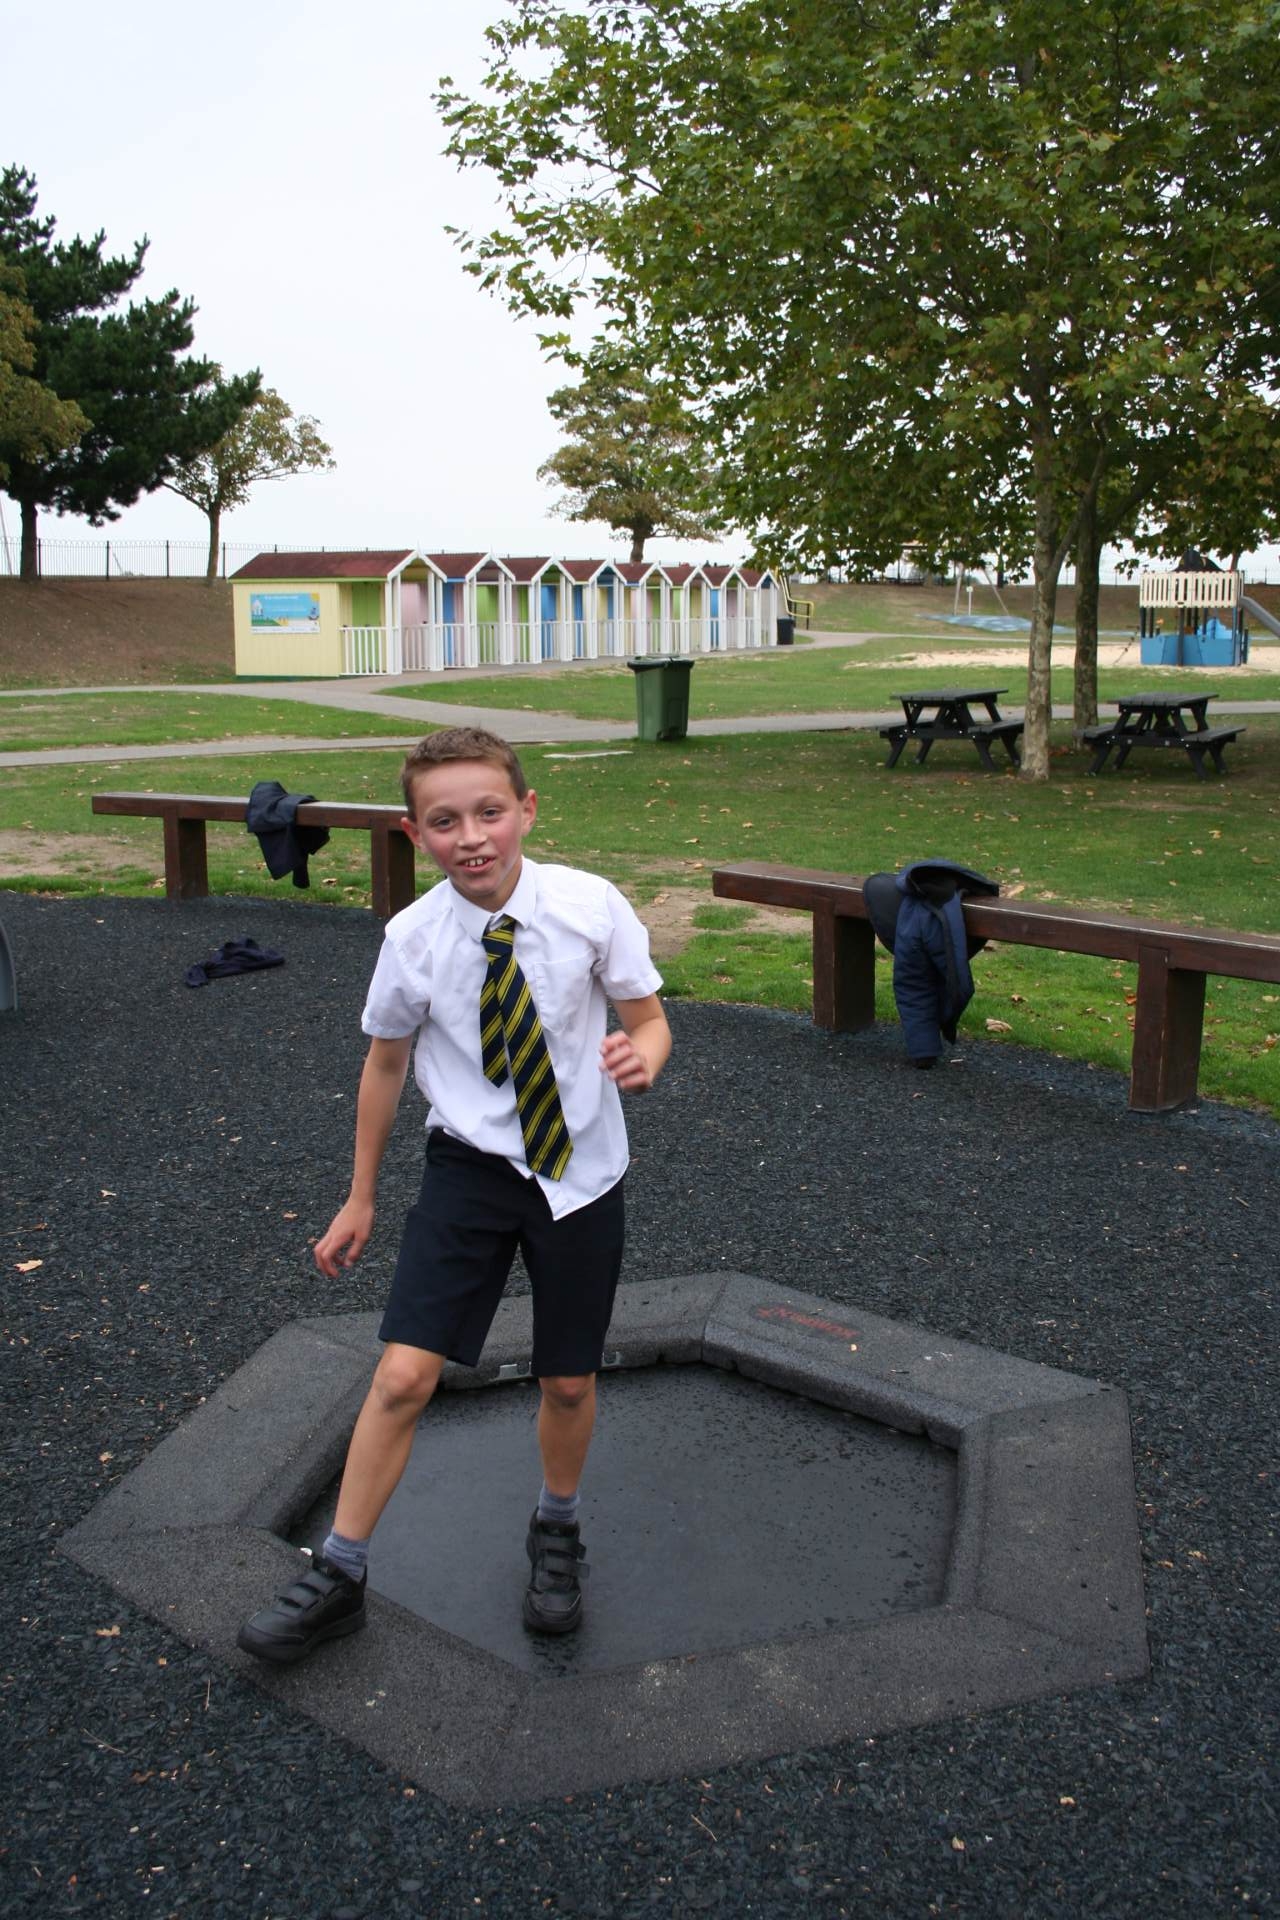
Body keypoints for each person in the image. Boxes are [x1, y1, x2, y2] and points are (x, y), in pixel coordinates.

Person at [237, 726, 670, 1663]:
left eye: (489, 812)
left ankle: (557, 1527)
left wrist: (646, 1056)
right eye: (444, 822)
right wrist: (360, 1197)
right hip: (469, 1168)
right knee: (402, 1374)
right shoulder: (414, 939)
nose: (471, 837)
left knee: (567, 1378)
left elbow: (648, 1017)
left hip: (579, 1173)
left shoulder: (589, 906)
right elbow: (386, 1065)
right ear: (414, 833)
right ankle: (339, 1570)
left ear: (526, 812)